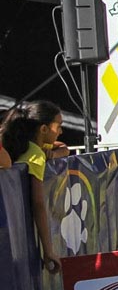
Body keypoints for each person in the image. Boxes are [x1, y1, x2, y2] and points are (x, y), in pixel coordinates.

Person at [0, 101, 66, 273]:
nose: (61, 131)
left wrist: (55, 153)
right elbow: (37, 203)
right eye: (58, 126)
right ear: (43, 129)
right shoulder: (35, 154)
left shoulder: (25, 145)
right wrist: (48, 250)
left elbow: (63, 147)